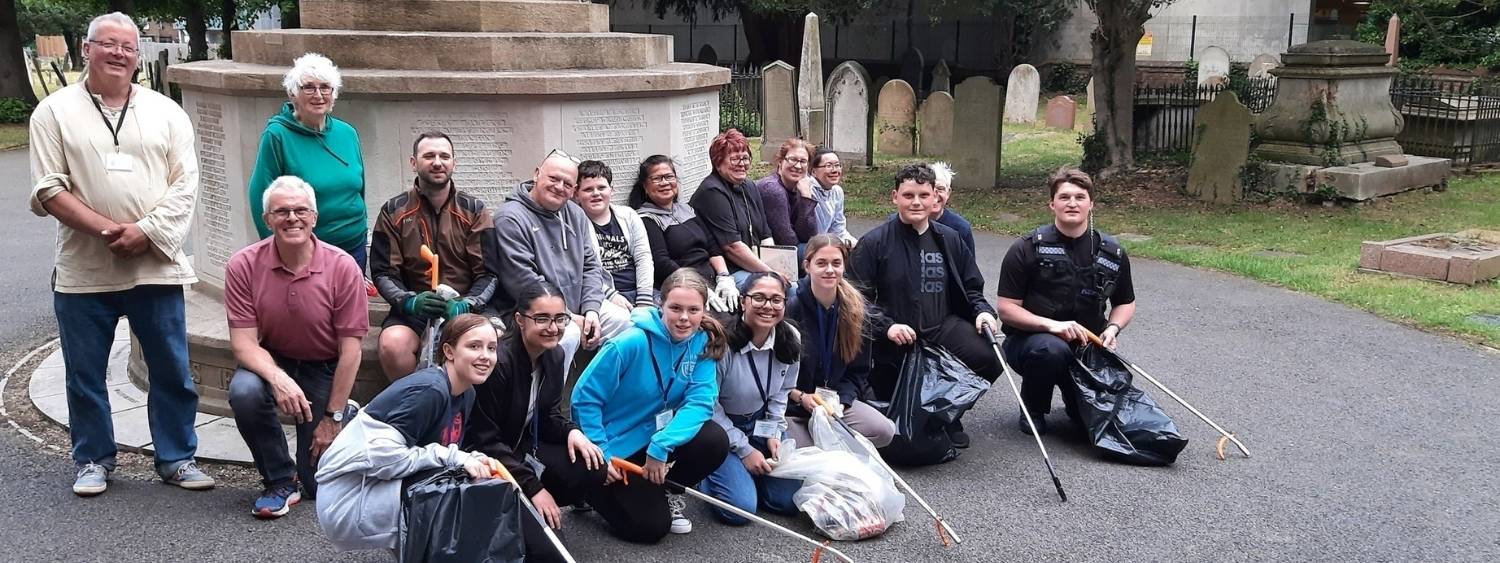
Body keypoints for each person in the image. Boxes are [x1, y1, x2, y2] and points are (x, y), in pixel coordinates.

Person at [28, 12, 214, 496]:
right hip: (84, 271)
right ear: (86, 49)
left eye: (127, 47)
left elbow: (186, 184)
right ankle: (93, 458)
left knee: (171, 369)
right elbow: (49, 189)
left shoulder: (166, 112)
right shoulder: (53, 112)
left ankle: (177, 456)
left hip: (155, 265)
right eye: (106, 44)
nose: (117, 53)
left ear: (138, 56)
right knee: (84, 372)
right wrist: (115, 231)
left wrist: (147, 232)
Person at [225, 176, 367, 518]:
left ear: (314, 218)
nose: (292, 218)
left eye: (301, 210)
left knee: (318, 487)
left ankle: (343, 413)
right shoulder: (243, 265)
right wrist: (278, 378)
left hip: (325, 366)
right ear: (267, 219)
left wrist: (330, 419)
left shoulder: (342, 267)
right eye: (282, 211)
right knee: (244, 391)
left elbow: (352, 350)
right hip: (274, 359)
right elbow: (244, 345)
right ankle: (278, 479)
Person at [315, 314, 499, 552]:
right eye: (474, 346)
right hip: (347, 498)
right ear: (449, 352)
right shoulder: (430, 390)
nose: (485, 356)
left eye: (492, 348)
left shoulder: (467, 392)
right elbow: (384, 459)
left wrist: (469, 458)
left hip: (380, 486)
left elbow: (436, 454)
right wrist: (452, 457)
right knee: (457, 506)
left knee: (469, 484)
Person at [571, 269, 731, 542]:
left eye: (693, 310)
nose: (684, 318)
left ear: (703, 311)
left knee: (713, 439)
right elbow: (584, 399)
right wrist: (603, 453)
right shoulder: (629, 343)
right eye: (676, 308)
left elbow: (701, 402)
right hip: (614, 445)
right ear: (661, 306)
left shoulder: (702, 343)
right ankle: (589, 490)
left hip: (654, 439)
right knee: (650, 529)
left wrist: (662, 445)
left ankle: (664, 490)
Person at [849, 163, 1001, 448]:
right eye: (908, 195)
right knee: (901, 430)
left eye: (923, 195)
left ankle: (946, 414)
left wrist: (982, 311)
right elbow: (856, 301)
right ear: (895, 197)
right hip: (894, 338)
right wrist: (888, 326)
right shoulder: (873, 243)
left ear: (936, 198)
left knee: (990, 355)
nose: (916, 202)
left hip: (942, 326)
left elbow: (971, 286)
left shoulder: (950, 239)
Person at [463, 283, 607, 560]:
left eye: (559, 318)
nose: (553, 327)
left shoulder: (554, 354)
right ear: (519, 320)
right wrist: (534, 488)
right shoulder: (499, 364)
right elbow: (485, 441)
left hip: (520, 451)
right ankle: (507, 514)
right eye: (541, 318)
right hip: (485, 463)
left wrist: (572, 432)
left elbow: (548, 414)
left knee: (593, 463)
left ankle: (530, 511)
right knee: (551, 555)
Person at [996, 168, 1136, 435]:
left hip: (1088, 346)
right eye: (1064, 197)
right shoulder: (1026, 248)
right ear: (1052, 204)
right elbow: (1006, 308)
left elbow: (1125, 302)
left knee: (1093, 422)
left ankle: (1074, 402)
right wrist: (1052, 326)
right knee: (1050, 350)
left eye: (1080, 197)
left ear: (1091, 204)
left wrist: (1112, 329)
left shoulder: (1112, 252)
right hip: (1032, 343)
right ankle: (1033, 408)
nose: (1072, 203)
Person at [371, 132, 501, 379]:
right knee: (392, 344)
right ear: (413, 163)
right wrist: (410, 302)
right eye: (429, 156)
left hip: (465, 306)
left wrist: (468, 303)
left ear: (454, 163)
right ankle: (414, 408)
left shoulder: (474, 210)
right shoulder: (393, 210)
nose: (437, 162)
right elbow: (383, 271)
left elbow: (490, 273)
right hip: (414, 308)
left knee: (490, 343)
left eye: (444, 156)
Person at [494, 150, 633, 375]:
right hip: (535, 312)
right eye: (554, 179)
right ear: (537, 174)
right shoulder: (510, 218)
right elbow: (523, 280)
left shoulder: (575, 213)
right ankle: (552, 404)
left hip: (579, 304)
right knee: (566, 335)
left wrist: (592, 311)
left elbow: (591, 266)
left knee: (624, 323)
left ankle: (604, 395)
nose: (560, 187)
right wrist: (565, 316)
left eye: (567, 184)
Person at [247, 53, 369, 271]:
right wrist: (277, 250)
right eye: (309, 87)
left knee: (351, 305)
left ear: (334, 94)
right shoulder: (277, 136)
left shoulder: (347, 133)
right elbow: (260, 197)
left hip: (354, 247)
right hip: (305, 251)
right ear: (293, 93)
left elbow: (359, 188)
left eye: (325, 87)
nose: (318, 95)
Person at [699, 273, 803, 525]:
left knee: (789, 501)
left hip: (760, 423)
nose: (768, 306)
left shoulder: (790, 337)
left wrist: (775, 433)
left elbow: (783, 391)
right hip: (720, 428)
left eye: (776, 300)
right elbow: (709, 406)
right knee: (739, 510)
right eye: (758, 298)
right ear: (743, 301)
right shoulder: (721, 343)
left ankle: (748, 476)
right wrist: (745, 451)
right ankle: (706, 470)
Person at [785, 235, 896, 448]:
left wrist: (842, 402)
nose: (829, 270)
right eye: (821, 263)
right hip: (796, 405)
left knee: (883, 430)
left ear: (844, 267)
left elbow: (858, 371)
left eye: (836, 263)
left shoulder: (854, 309)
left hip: (833, 403)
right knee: (807, 450)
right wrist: (800, 397)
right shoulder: (791, 307)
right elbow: (774, 374)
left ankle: (834, 447)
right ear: (807, 266)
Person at [630, 156, 735, 310]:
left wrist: (724, 277)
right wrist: (697, 288)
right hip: (683, 287)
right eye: (657, 178)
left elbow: (712, 247)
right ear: (645, 186)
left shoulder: (687, 210)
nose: (665, 182)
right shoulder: (646, 219)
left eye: (669, 177)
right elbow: (662, 263)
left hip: (713, 281)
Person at [689, 129, 780, 288]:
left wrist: (776, 266)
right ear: (718, 163)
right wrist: (771, 275)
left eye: (745, 158)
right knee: (775, 290)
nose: (742, 164)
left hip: (757, 264)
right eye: (734, 159)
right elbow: (732, 247)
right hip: (730, 270)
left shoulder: (749, 186)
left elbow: (765, 233)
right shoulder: (712, 192)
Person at [574, 160, 655, 309]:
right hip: (604, 295)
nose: (596, 193)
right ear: (576, 194)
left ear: (611, 190)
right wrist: (611, 295)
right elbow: (582, 270)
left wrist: (644, 298)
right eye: (588, 189)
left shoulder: (628, 215)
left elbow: (643, 257)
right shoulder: (575, 224)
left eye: (601, 187)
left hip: (641, 291)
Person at [884, 161, 975, 253]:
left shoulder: (960, 228)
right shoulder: (894, 223)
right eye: (928, 191)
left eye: (940, 189)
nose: (935, 195)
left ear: (948, 193)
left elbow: (966, 265)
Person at [754, 138, 819, 248]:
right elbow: (787, 241)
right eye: (792, 159)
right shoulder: (772, 189)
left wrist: (806, 197)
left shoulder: (801, 187)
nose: (798, 166)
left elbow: (810, 235)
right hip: (767, 251)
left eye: (803, 161)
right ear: (780, 162)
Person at [808, 148, 857, 245]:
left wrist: (856, 245)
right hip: (810, 244)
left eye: (837, 165)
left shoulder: (837, 191)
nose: (835, 170)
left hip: (828, 242)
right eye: (828, 166)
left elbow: (838, 229)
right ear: (813, 171)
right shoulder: (808, 190)